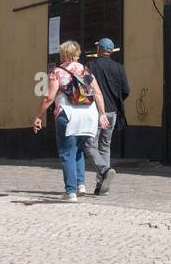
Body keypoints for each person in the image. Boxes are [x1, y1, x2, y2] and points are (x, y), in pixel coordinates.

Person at [32, 40, 108, 202]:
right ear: (77, 53)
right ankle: (81, 184)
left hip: (68, 114)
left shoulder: (57, 72)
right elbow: (98, 93)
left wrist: (38, 116)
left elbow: (49, 97)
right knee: (78, 150)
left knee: (67, 153)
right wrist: (102, 114)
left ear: (63, 53)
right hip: (89, 116)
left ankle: (70, 192)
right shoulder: (85, 70)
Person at [84, 38, 129, 195]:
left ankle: (105, 169)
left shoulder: (90, 66)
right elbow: (126, 90)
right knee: (105, 146)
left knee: (89, 144)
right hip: (112, 112)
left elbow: (84, 88)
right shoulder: (119, 68)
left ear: (99, 50)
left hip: (96, 111)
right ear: (110, 51)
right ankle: (102, 186)